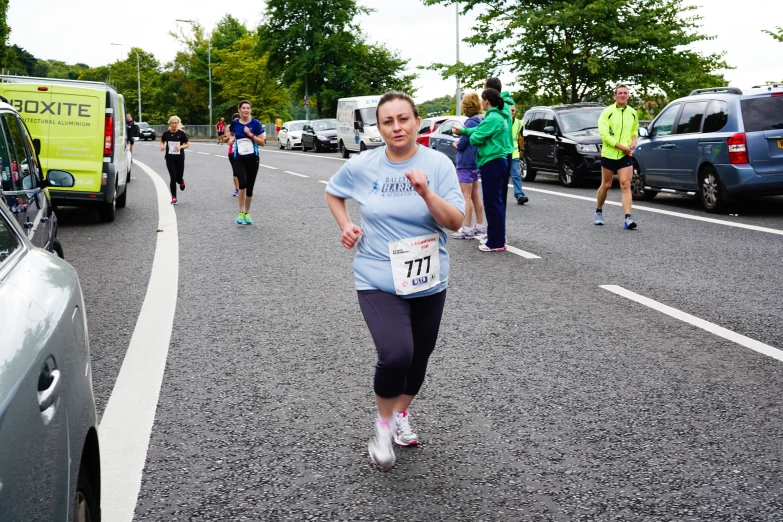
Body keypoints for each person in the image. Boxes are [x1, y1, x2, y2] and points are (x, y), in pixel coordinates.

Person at [325, 91, 464, 470]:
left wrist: (426, 192)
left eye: (403, 119)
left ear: (417, 122)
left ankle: (400, 413)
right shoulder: (364, 164)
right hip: (376, 275)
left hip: (428, 278)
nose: (396, 127)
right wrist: (347, 225)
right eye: (388, 121)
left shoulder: (437, 165)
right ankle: (383, 424)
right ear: (379, 127)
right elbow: (333, 193)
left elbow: (456, 222)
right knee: (397, 353)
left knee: (420, 355)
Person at [455, 89, 510, 252]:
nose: (480, 102)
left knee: (492, 204)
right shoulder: (499, 116)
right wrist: (464, 131)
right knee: (495, 202)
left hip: (491, 161)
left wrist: (468, 136)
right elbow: (479, 131)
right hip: (498, 160)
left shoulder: (492, 118)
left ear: (486, 101)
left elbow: (477, 137)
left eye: (482, 99)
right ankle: (496, 239)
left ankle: (495, 242)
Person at [595, 84, 638, 229]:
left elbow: (634, 130)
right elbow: (605, 136)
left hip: (625, 156)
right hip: (609, 154)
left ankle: (628, 218)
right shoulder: (607, 112)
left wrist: (634, 140)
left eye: (625, 93)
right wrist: (622, 147)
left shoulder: (632, 112)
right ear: (615, 96)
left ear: (628, 96)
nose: (622, 95)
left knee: (625, 185)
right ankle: (599, 211)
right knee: (606, 185)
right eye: (620, 93)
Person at [452, 92, 486, 239]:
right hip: (476, 162)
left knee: (465, 196)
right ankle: (479, 226)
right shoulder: (482, 121)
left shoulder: (470, 122)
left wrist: (455, 144)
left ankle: (466, 228)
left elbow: (462, 144)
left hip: (465, 162)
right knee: (475, 195)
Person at [228, 100, 265, 225]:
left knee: (250, 188)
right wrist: (231, 139)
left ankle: (247, 213)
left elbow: (262, 142)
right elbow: (232, 135)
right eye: (243, 108)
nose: (245, 110)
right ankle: (240, 211)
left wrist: (250, 135)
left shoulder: (256, 123)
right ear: (239, 110)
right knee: (242, 183)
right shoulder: (234, 123)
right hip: (238, 158)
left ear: (250, 110)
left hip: (253, 158)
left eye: (248, 108)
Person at [484, 78, 516, 208]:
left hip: (498, 151)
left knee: (496, 194)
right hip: (507, 149)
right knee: (501, 192)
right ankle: (499, 223)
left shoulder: (498, 107)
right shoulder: (507, 105)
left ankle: (498, 225)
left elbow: (485, 132)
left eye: (484, 87)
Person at [159, 115, 189, 204]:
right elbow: (162, 141)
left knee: (178, 177)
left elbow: (187, 144)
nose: (174, 125)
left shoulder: (181, 133)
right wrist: (162, 146)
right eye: (172, 123)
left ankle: (181, 181)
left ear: (178, 124)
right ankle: (174, 197)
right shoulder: (166, 133)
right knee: (173, 177)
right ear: (170, 123)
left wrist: (181, 146)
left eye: (176, 123)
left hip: (180, 158)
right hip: (169, 158)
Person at [509, 105, 529, 205]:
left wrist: (522, 150)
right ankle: (498, 196)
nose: (511, 112)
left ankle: (519, 195)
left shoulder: (519, 123)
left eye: (513, 110)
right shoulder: (502, 122)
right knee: (501, 177)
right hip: (502, 154)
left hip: (514, 154)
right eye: (509, 110)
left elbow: (521, 138)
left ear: (515, 111)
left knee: (516, 175)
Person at [227, 113, 240, 197]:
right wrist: (229, 139)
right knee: (236, 172)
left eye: (237, 120)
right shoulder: (231, 129)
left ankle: (244, 188)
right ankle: (237, 189)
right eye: (234, 120)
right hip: (232, 152)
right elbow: (228, 139)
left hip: (244, 153)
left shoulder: (245, 128)